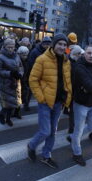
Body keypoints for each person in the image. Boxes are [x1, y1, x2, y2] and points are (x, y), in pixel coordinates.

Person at [27, 34, 72, 169]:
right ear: (54, 44)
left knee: (53, 131)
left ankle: (46, 155)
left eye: (65, 45)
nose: (62, 47)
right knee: (45, 131)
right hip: (45, 102)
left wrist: (67, 97)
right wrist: (41, 98)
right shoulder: (42, 59)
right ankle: (31, 145)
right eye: (60, 44)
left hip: (58, 102)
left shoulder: (66, 61)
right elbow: (33, 80)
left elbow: (67, 81)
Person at [67, 45, 92, 166]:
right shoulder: (79, 67)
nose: (91, 56)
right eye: (89, 53)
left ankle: (73, 137)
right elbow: (89, 85)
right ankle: (77, 153)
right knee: (79, 130)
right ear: (84, 54)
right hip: (80, 104)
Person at [0, 38, 23, 127]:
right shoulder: (0, 57)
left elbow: (21, 66)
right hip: (6, 83)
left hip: (15, 82)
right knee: (6, 102)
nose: (11, 49)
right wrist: (9, 73)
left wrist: (20, 74)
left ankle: (8, 118)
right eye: (9, 47)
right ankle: (2, 115)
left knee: (13, 102)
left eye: (13, 47)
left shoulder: (16, 55)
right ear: (5, 46)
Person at [25, 36, 52, 111]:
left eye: (49, 44)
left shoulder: (49, 52)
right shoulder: (35, 51)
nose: (47, 46)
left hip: (44, 75)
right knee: (31, 90)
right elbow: (31, 63)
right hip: (34, 74)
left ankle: (43, 105)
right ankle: (26, 104)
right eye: (46, 44)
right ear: (42, 44)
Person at [67, 45, 83, 134]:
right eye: (78, 54)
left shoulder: (79, 62)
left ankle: (72, 127)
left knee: (74, 109)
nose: (80, 55)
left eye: (80, 54)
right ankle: (71, 127)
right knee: (72, 109)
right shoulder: (68, 62)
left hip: (77, 88)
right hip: (70, 88)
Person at [15, 46, 30, 119]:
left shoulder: (26, 61)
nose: (25, 56)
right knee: (16, 97)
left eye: (26, 55)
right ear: (19, 54)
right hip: (17, 81)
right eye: (24, 55)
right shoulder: (16, 61)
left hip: (24, 81)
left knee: (21, 98)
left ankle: (17, 112)